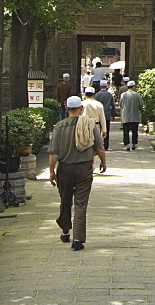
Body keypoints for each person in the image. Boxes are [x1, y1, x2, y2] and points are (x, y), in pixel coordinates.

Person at [48, 96, 106, 251]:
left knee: (65, 200)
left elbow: (53, 153)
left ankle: (66, 231)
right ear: (81, 109)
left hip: (65, 168)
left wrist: (51, 171)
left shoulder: (59, 127)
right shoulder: (89, 124)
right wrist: (103, 162)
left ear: (67, 110)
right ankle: (78, 239)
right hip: (84, 169)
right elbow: (100, 147)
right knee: (81, 203)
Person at [119, 79, 144, 151]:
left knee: (126, 131)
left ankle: (127, 144)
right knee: (134, 131)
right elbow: (141, 104)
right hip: (135, 115)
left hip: (126, 116)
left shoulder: (123, 95)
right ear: (133, 87)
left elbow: (121, 105)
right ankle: (134, 144)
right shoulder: (137, 95)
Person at [94, 81, 116, 150]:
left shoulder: (97, 95)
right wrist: (113, 114)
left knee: (97, 130)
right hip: (107, 114)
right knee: (106, 130)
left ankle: (98, 144)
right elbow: (113, 105)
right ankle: (106, 145)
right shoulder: (109, 95)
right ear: (106, 87)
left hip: (98, 115)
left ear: (100, 86)